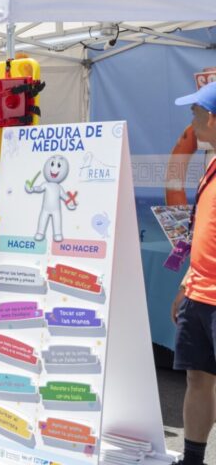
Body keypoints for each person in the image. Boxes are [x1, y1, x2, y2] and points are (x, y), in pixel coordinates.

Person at [170, 81, 216, 465]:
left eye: (196, 113)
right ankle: (192, 459)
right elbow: (201, 228)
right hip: (199, 295)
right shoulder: (212, 162)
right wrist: (186, 283)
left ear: (212, 118)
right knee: (197, 379)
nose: (192, 120)